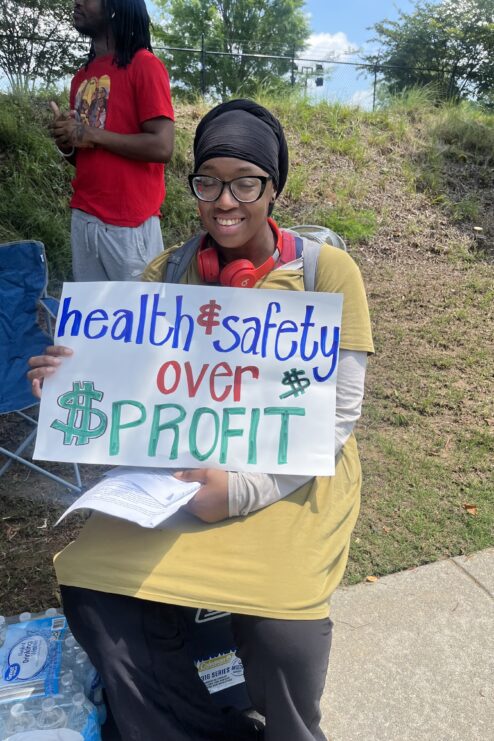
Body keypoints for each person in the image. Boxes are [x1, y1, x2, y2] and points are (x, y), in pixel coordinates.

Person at [29, 99, 374, 741]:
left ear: (274, 188)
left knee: (282, 636)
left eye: (246, 182)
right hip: (182, 478)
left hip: (290, 481)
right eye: (208, 180)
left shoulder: (329, 275)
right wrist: (70, 383)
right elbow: (132, 392)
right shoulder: (166, 273)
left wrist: (242, 489)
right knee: (96, 595)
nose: (225, 201)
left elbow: (336, 418)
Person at [50, 0, 175, 282]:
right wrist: (66, 140)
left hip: (130, 226)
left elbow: (162, 146)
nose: (77, 2)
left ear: (115, 7)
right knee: (95, 318)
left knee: (139, 318)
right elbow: (83, 158)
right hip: (84, 217)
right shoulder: (81, 78)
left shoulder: (145, 65)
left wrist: (90, 133)